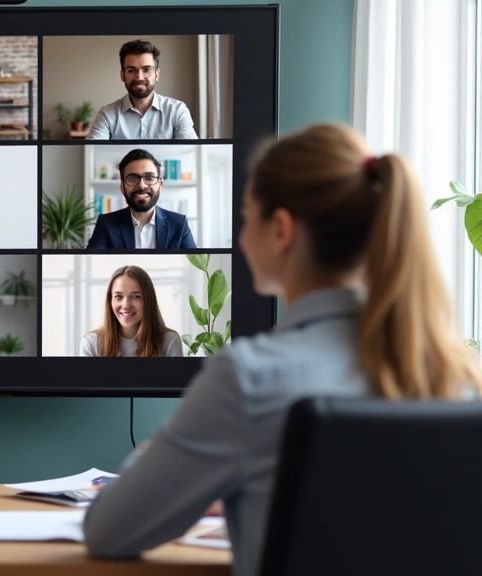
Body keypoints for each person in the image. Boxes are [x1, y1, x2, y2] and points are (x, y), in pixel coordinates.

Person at [82, 123, 482, 576]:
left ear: (282, 231)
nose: (240, 236)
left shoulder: (248, 378)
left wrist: (156, 453)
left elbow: (107, 531)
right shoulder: (461, 376)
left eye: (248, 216)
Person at [87, 39, 198, 140]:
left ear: (157, 74)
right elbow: (93, 154)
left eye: (146, 69)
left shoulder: (177, 111)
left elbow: (189, 154)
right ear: (122, 75)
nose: (139, 77)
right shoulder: (107, 114)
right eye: (131, 70)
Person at [86, 149, 196, 249]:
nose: (142, 186)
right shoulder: (106, 223)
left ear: (160, 184)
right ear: (122, 188)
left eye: (149, 178)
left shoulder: (179, 224)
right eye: (133, 178)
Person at [80, 266, 183, 357]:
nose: (126, 305)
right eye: (118, 297)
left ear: (148, 300)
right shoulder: (91, 344)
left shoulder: (169, 341)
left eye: (135, 297)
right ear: (110, 300)